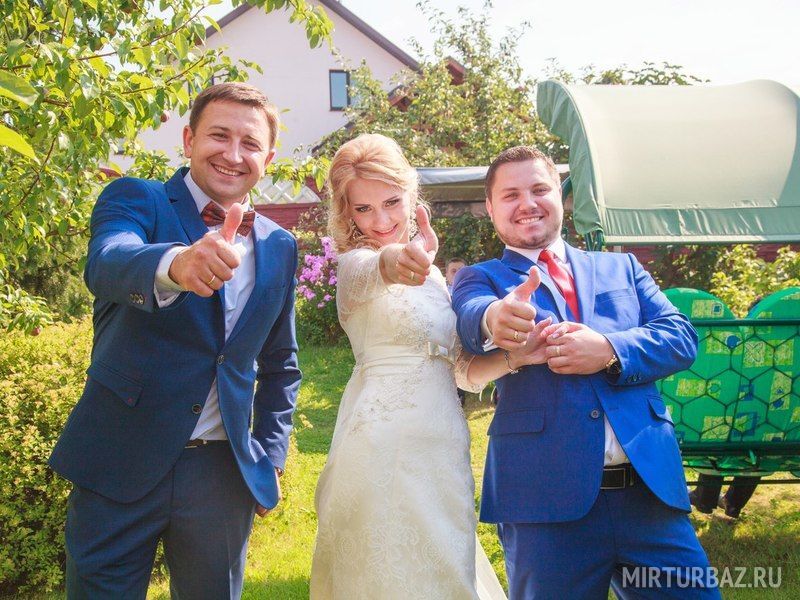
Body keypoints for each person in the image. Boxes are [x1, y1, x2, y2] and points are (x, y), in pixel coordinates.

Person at [49, 83, 301, 599]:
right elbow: (108, 259)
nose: (233, 154)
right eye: (219, 135)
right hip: (120, 458)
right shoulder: (137, 198)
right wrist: (175, 264)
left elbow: (281, 363)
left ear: (269, 158)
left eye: (250, 144)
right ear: (188, 140)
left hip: (221, 473)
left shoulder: (280, 244)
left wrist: (270, 456)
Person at [451, 146, 721, 599]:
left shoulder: (622, 266)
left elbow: (680, 337)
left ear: (559, 196)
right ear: (491, 208)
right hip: (544, 504)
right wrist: (496, 317)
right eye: (511, 195)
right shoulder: (480, 278)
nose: (527, 203)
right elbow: (473, 317)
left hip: (648, 495)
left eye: (539, 189)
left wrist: (610, 350)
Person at [310, 134, 551, 599]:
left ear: (410, 195)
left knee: (447, 573)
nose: (381, 221)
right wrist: (399, 257)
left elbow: (461, 371)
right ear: (347, 213)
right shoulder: (354, 266)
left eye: (391, 203)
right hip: (382, 450)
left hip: (443, 448)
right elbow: (380, 267)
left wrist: (515, 357)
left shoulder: (436, 277)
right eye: (363, 209)